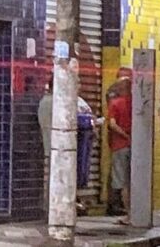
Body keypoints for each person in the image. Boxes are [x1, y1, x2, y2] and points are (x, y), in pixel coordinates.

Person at [37, 75, 96, 214]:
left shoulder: (52, 101)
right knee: (59, 179)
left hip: (61, 147)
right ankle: (57, 208)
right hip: (59, 147)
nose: (78, 86)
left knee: (62, 178)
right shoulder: (55, 102)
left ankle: (60, 206)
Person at [108, 78, 132, 224]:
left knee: (123, 183)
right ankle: (137, 213)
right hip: (135, 147)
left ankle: (129, 215)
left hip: (120, 146)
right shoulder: (136, 103)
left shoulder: (115, 103)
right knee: (132, 181)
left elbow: (112, 124)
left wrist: (124, 135)